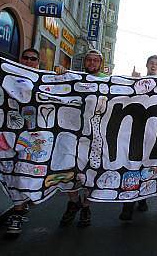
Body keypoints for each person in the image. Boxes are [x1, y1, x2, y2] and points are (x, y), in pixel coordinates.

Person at [0, 48, 44, 236]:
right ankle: (19, 208)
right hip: (5, 132)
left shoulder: (42, 79)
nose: (29, 61)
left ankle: (18, 211)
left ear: (38, 62)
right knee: (7, 171)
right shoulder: (4, 74)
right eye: (26, 57)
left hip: (31, 136)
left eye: (33, 59)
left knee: (23, 171)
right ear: (20, 59)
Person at [60, 49, 107, 228]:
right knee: (67, 167)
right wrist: (60, 74)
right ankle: (73, 202)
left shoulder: (106, 80)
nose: (92, 64)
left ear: (100, 64)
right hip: (71, 131)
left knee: (91, 170)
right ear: (84, 62)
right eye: (89, 60)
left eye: (96, 61)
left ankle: (86, 207)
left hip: (95, 133)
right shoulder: (74, 78)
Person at [119, 55, 157, 220]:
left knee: (148, 166)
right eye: (151, 63)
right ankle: (127, 206)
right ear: (147, 65)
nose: (153, 65)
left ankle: (143, 197)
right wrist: (132, 81)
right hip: (135, 133)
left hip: (152, 133)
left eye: (156, 64)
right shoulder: (137, 81)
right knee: (132, 166)